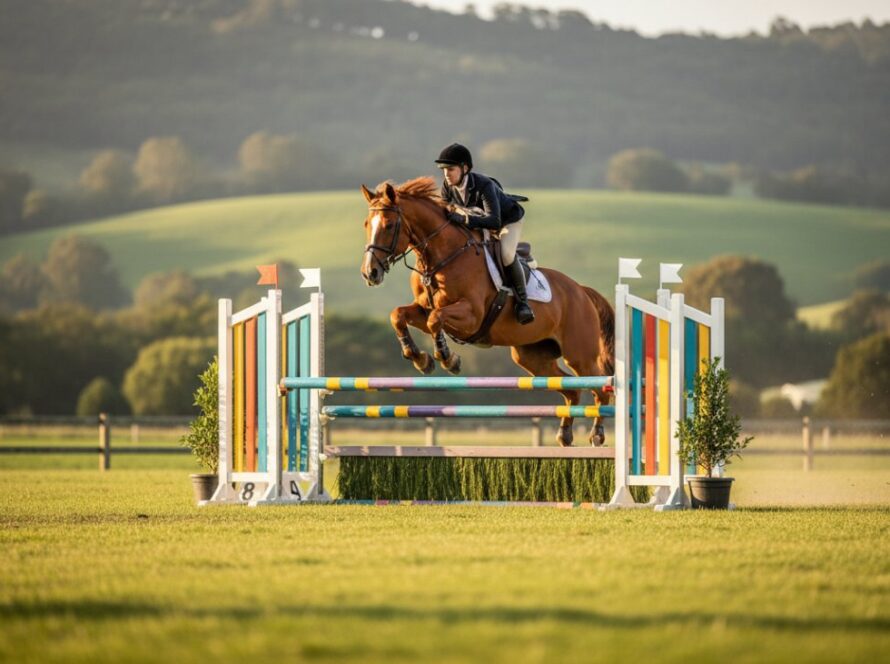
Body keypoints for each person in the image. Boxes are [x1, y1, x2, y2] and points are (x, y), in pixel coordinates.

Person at [435, 143, 535, 325]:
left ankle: (523, 303)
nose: (446, 174)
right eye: (443, 170)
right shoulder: (447, 186)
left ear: (465, 168)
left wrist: (465, 220)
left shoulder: (483, 185)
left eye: (450, 169)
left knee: (506, 254)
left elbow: (494, 221)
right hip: (480, 221)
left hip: (507, 221)